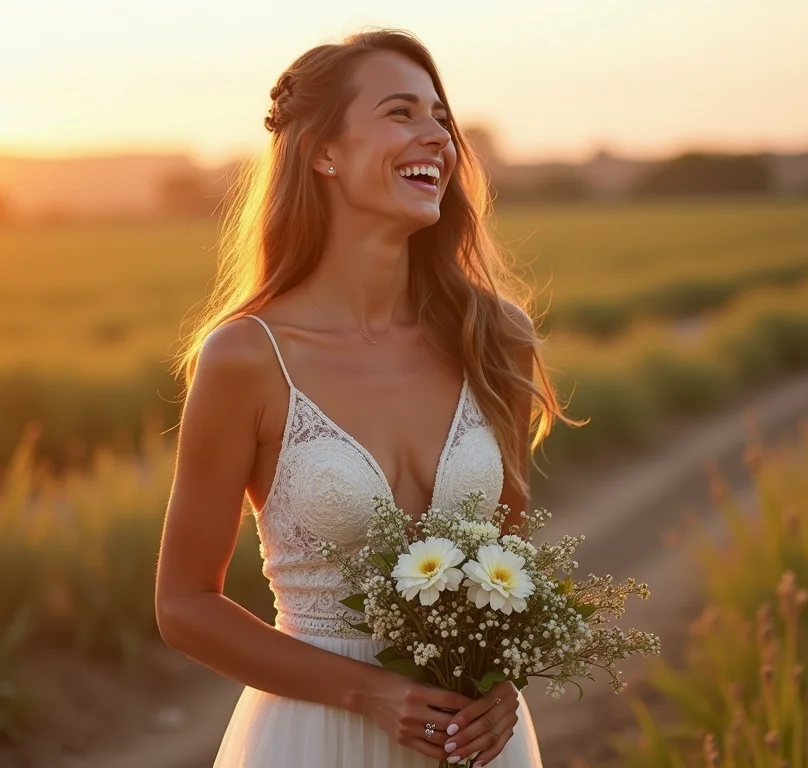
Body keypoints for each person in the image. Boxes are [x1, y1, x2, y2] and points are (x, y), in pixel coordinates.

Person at [155, 28, 572, 767]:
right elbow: (184, 604)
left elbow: (509, 561)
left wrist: (503, 679)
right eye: (401, 113)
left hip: (477, 746)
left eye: (440, 117)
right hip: (315, 740)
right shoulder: (248, 357)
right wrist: (367, 692)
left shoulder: (494, 336)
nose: (436, 136)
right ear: (324, 153)